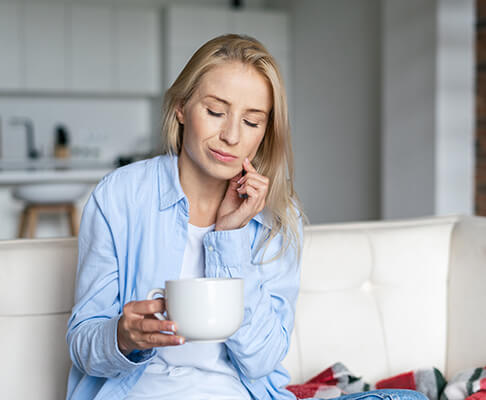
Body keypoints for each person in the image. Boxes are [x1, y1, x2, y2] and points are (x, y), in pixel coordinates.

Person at [65, 34, 427, 400]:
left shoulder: (278, 217)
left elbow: (262, 360)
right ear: (180, 108)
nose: (231, 136)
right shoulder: (121, 196)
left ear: (265, 133)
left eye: (252, 122)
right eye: (215, 112)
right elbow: (83, 345)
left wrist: (229, 237)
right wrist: (123, 337)